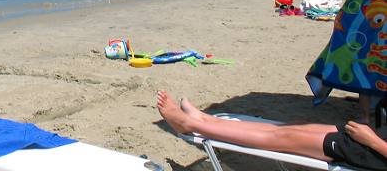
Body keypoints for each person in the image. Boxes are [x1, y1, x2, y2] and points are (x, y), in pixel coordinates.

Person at [156, 91, 387, 170]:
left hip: (372, 149)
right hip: (376, 138)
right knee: (288, 128)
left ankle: (191, 124)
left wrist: (373, 142)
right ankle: (205, 119)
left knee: (281, 136)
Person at [306, 0, 386, 124]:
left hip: (362, 56)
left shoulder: (352, 3)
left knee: (364, 85)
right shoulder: (383, 1)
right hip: (381, 53)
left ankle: (365, 117)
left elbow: (342, 30)